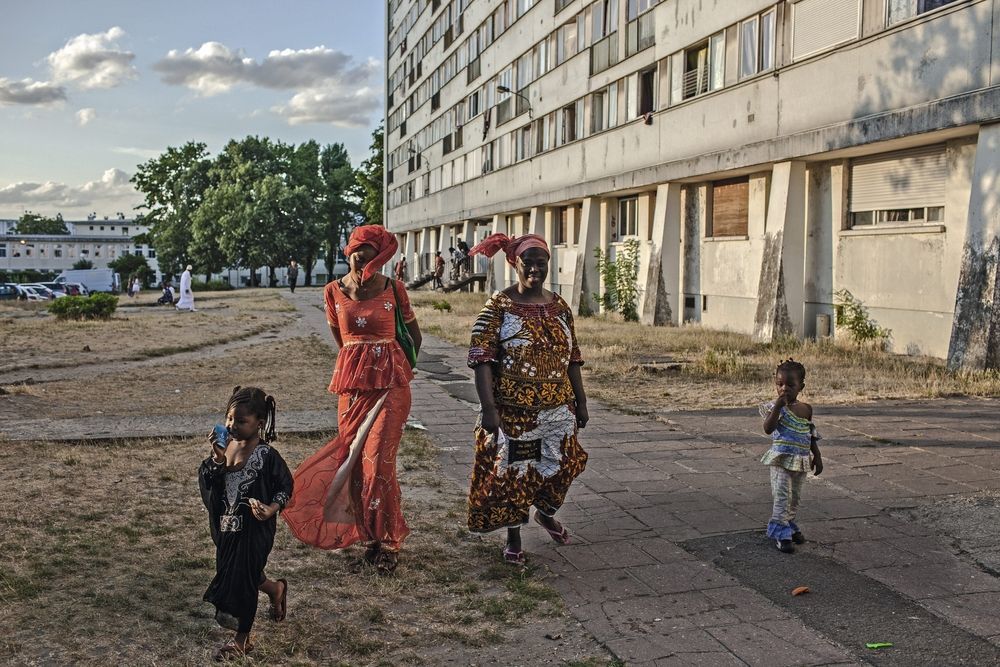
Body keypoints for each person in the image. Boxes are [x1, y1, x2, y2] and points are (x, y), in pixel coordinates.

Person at [283, 225, 422, 575]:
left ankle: (388, 540)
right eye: (359, 250)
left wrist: (391, 365)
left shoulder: (394, 289)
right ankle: (367, 533)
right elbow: (341, 338)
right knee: (356, 462)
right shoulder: (332, 291)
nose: (364, 258)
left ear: (381, 256)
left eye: (372, 252)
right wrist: (362, 362)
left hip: (390, 388)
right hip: (352, 388)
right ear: (350, 251)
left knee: (379, 464)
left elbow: (414, 337)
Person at [465, 233, 589, 566]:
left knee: (566, 463)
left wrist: (581, 401)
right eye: (527, 262)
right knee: (516, 473)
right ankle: (514, 538)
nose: (534, 268)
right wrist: (489, 408)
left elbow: (573, 356)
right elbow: (481, 358)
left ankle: (546, 514)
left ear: (549, 264)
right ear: (514, 264)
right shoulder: (499, 305)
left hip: (558, 409)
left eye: (541, 262)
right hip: (514, 412)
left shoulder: (560, 305)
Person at [199, 386, 293, 661]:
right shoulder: (225, 449)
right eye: (230, 419)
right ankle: (276, 589)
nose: (232, 425)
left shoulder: (267, 456)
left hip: (255, 528)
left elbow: (286, 486)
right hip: (227, 527)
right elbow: (210, 484)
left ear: (259, 424)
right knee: (237, 572)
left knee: (243, 579)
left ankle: (241, 640)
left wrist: (271, 508)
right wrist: (216, 459)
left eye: (241, 421)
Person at [760, 359, 823, 554]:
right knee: (782, 497)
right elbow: (768, 429)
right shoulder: (774, 408)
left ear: (801, 386)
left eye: (790, 385)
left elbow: (810, 434)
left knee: (794, 497)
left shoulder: (806, 409)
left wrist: (817, 456)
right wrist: (778, 407)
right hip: (781, 461)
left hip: (801, 461)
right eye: (780, 384)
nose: (784, 388)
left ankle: (788, 523)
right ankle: (780, 532)